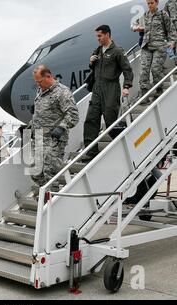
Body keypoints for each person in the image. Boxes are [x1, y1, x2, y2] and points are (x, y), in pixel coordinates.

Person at [83, 25, 134, 161]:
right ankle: (90, 151)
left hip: (111, 87)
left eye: (99, 36)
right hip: (97, 89)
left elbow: (127, 69)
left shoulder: (117, 51)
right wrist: (91, 62)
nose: (98, 39)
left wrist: (126, 86)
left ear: (107, 35)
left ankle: (124, 143)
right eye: (97, 36)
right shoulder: (98, 50)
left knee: (111, 119)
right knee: (91, 118)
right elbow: (94, 67)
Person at [30, 65, 79, 198]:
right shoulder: (40, 91)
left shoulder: (62, 92)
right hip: (39, 137)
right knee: (35, 171)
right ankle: (44, 198)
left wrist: (61, 127)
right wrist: (29, 126)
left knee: (49, 172)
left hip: (54, 139)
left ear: (48, 76)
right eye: (36, 82)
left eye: (39, 81)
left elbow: (73, 115)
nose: (38, 85)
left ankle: (52, 202)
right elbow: (39, 114)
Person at [138, 0, 177, 104]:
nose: (150, 5)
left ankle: (159, 89)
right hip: (146, 46)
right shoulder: (145, 15)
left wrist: (172, 42)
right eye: (148, 3)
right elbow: (135, 25)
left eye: (151, 3)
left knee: (155, 69)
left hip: (159, 47)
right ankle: (144, 95)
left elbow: (171, 30)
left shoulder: (163, 14)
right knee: (143, 71)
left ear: (157, 3)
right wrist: (136, 28)